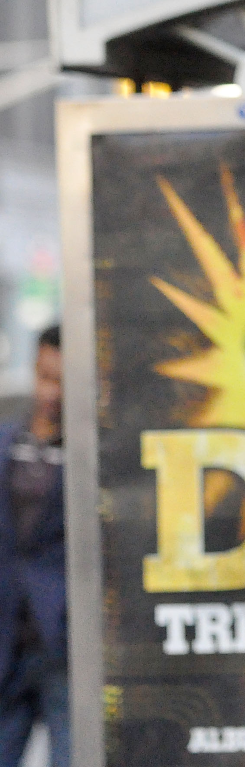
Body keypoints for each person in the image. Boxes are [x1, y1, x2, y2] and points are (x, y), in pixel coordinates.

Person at [0, 325, 68, 767]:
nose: (51, 393)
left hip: (63, 641)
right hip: (7, 638)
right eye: (45, 377)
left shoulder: (93, 452)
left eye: (61, 381)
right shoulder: (7, 442)